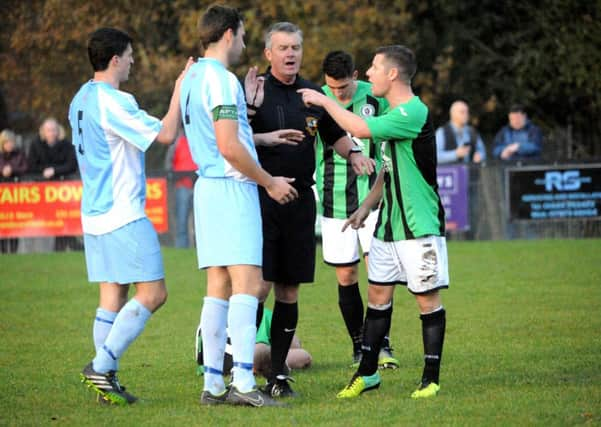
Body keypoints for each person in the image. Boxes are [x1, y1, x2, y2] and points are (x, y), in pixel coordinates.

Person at [299, 44, 449, 400]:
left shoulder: (412, 112)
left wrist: (325, 103)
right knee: (377, 295)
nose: (369, 73)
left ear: (393, 74)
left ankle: (430, 378)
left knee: (426, 300)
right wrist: (368, 204)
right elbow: (387, 166)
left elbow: (358, 128)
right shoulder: (395, 111)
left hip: (418, 226)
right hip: (387, 226)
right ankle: (367, 373)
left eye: (375, 67)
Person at [246, 22, 375, 398]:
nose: (291, 54)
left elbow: (334, 133)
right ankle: (235, 367)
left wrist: (353, 154)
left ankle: (278, 376)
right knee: (258, 287)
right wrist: (254, 121)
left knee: (289, 289)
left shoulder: (312, 94)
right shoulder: (254, 92)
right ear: (269, 53)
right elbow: (232, 138)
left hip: (301, 200)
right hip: (262, 197)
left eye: (296, 47)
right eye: (283, 47)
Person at [180, 5, 298, 407]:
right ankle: (244, 383)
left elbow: (220, 138)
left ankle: (213, 384)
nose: (246, 43)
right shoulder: (222, 79)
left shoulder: (192, 77)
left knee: (218, 287)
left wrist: (261, 140)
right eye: (244, 36)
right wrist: (270, 182)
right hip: (233, 190)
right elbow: (229, 147)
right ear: (228, 34)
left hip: (208, 188)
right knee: (248, 286)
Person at [69, 27, 191, 405]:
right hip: (122, 213)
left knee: (111, 297)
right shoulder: (115, 101)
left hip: (94, 215)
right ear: (116, 59)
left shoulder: (80, 98)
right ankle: (101, 366)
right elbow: (167, 134)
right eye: (131, 54)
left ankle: (107, 384)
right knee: (154, 292)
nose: (134, 61)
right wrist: (179, 88)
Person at [315, 50, 399, 369]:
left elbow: (390, 140)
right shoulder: (317, 99)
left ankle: (383, 345)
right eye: (332, 89)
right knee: (347, 275)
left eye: (344, 88)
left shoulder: (373, 96)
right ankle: (359, 346)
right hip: (333, 198)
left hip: (373, 197)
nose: (338, 94)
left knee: (378, 274)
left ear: (356, 76)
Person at [196, 307, 312, 380]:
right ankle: (257, 368)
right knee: (304, 356)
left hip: (210, 365)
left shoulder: (216, 307)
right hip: (243, 361)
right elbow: (259, 348)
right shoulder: (262, 313)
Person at [28, 117, 81, 251]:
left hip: (63, 190)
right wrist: (44, 171)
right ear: (43, 132)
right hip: (41, 191)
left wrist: (54, 170)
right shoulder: (35, 145)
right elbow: (31, 166)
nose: (51, 133)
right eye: (48, 130)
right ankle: (71, 246)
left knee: (62, 218)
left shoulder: (67, 146)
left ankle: (61, 248)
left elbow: (72, 165)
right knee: (49, 220)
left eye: (53, 130)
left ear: (58, 131)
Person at [165, 133, 196, 248]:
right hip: (182, 185)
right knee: (181, 220)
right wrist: (171, 176)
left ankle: (199, 249)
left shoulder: (199, 137)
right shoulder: (177, 140)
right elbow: (169, 162)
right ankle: (182, 247)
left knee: (200, 222)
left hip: (199, 185)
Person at [0, 129, 27, 253]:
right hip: (3, 196)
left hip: (16, 195)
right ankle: (4, 251)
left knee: (15, 224)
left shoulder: (19, 154)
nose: (9, 145)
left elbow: (25, 167)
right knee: (3, 224)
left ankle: (14, 251)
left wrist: (12, 169)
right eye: (7, 142)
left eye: (11, 142)